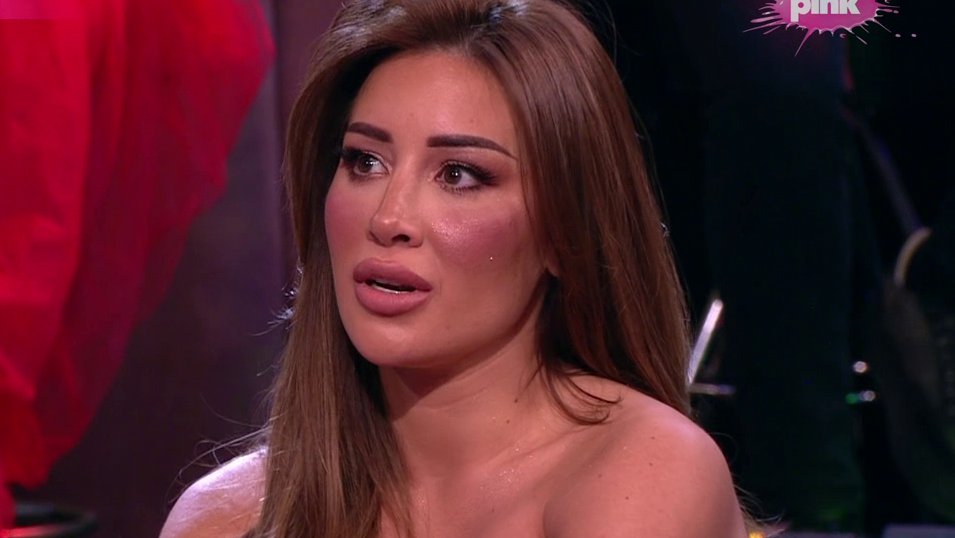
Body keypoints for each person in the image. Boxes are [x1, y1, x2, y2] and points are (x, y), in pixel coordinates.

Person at [159, 0, 748, 536]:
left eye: (458, 175)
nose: (389, 218)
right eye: (365, 162)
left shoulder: (644, 473)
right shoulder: (223, 519)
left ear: (564, 234)